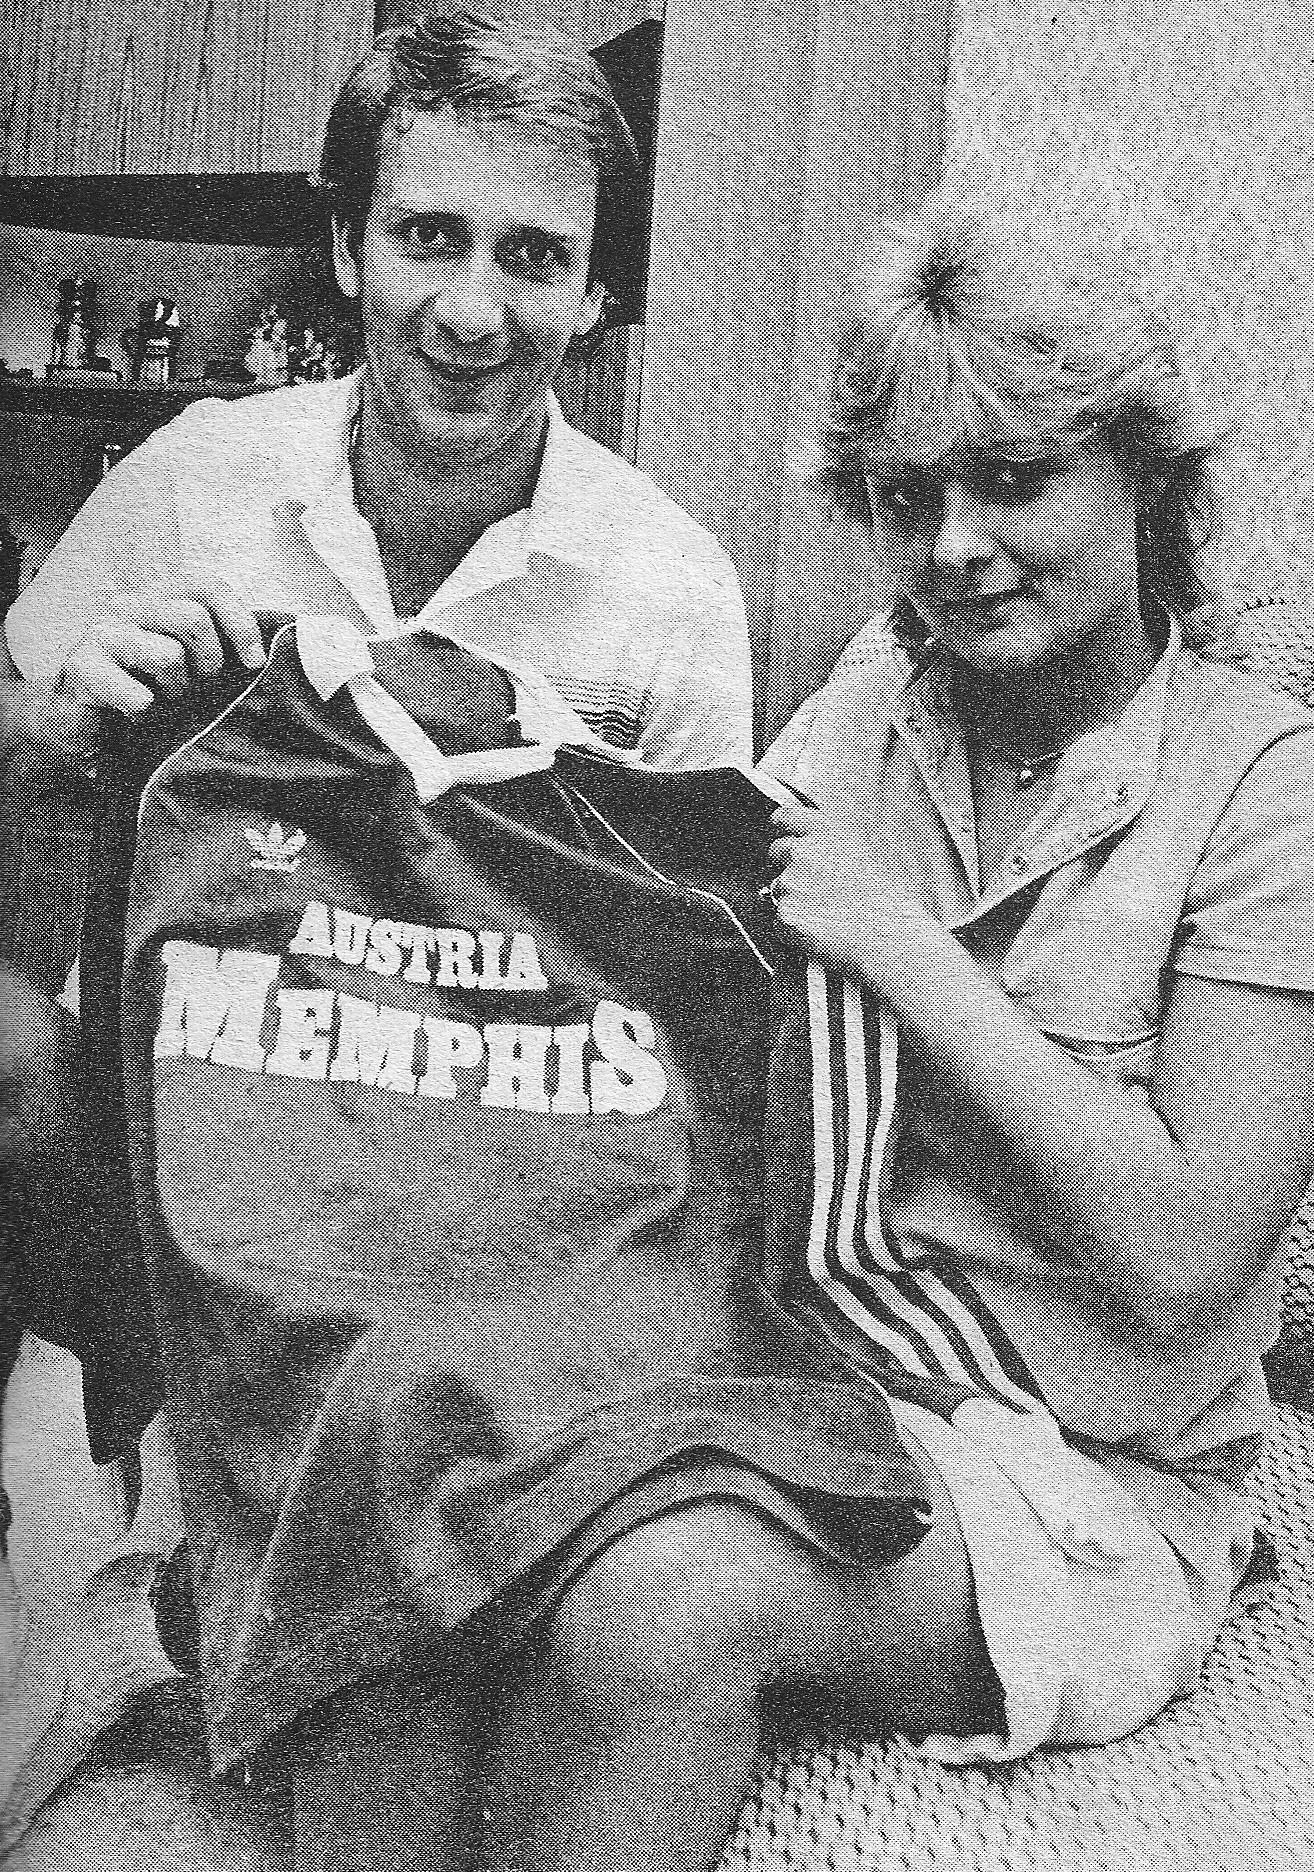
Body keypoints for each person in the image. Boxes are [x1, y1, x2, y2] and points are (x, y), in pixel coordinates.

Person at [760, 207, 1314, 1764]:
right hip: (834, 1386)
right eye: (903, 497)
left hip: (1094, 1477)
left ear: (1146, 474)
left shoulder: (1265, 790)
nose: (950, 546)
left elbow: (1183, 1256)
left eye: (1010, 479)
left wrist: (898, 948)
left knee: (670, 1591)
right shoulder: (864, 708)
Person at [4, 6, 751, 773]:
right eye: (429, 236)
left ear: (593, 294)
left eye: (533, 253)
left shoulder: (679, 589)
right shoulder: (188, 478)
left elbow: (697, 853)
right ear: (349, 250)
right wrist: (60, 723)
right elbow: (17, 723)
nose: (471, 316)